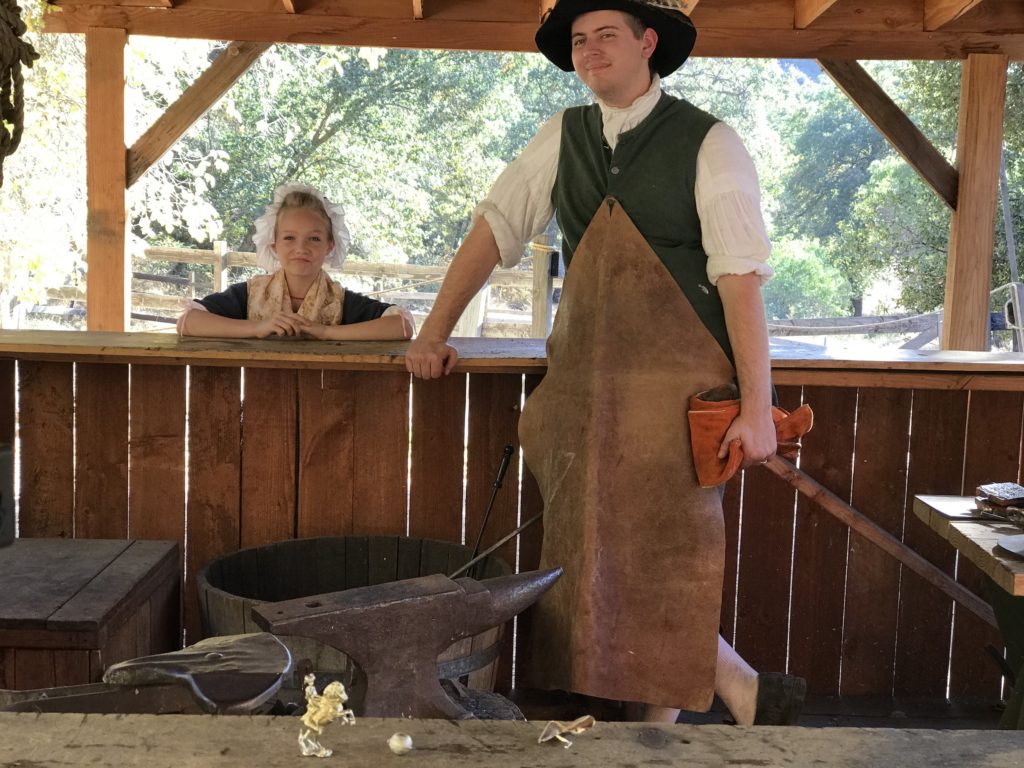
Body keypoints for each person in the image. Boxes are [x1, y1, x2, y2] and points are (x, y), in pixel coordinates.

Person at [405, 0, 805, 726]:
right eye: (579, 41)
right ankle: (729, 696)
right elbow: (493, 230)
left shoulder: (710, 142)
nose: (589, 52)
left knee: (665, 557)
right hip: (584, 390)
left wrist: (756, 406)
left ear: (649, 43)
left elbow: (741, 281)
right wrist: (432, 331)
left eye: (607, 37)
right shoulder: (563, 137)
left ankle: (713, 703)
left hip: (676, 391)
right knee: (605, 560)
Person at [177, 183, 414, 340]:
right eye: (289, 238)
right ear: (274, 244)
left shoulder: (341, 302)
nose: (301, 248)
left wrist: (326, 332)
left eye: (314, 238)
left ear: (330, 245)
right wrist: (258, 327)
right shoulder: (250, 295)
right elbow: (189, 321)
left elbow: (402, 327)